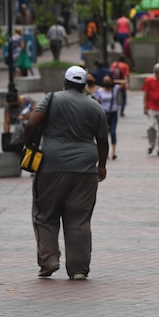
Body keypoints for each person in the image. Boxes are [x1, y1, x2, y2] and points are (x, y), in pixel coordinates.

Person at [24, 65, 109, 280]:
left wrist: (27, 142)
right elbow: (102, 140)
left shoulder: (51, 99)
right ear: (84, 85)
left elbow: (32, 123)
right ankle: (78, 269)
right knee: (79, 219)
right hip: (85, 169)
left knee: (45, 214)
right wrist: (101, 165)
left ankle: (49, 260)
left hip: (51, 165)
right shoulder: (95, 106)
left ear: (65, 82)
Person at [94, 75, 121, 160]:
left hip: (113, 113)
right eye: (105, 80)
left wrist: (114, 82)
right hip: (103, 113)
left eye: (108, 80)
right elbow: (96, 102)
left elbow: (124, 84)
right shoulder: (99, 91)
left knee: (112, 132)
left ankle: (114, 152)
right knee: (104, 134)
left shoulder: (115, 89)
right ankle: (105, 151)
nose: (106, 82)